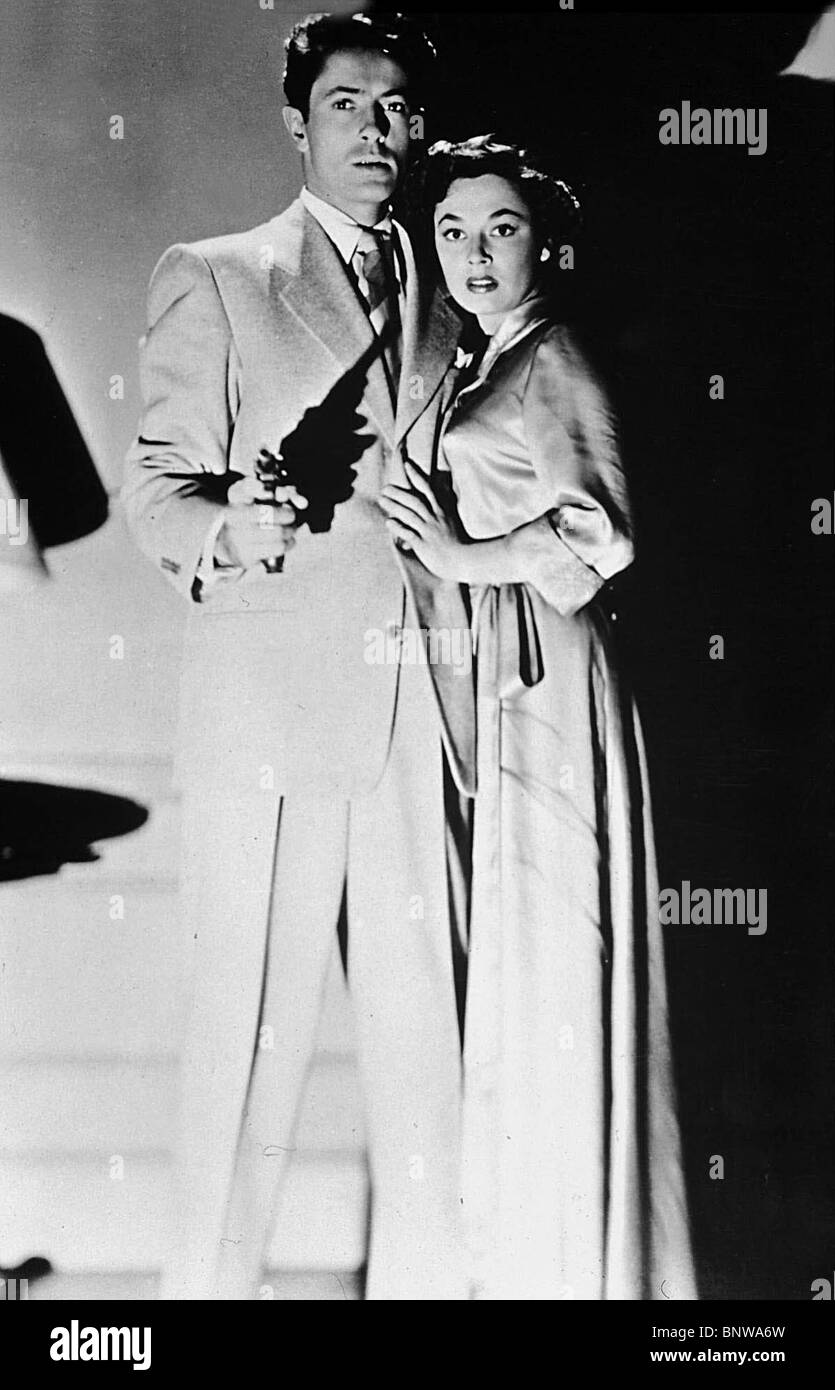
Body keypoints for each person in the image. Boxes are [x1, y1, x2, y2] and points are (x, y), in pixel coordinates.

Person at [122, 14, 476, 1300]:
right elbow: (155, 495)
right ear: (298, 123)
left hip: (425, 714)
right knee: (245, 1051)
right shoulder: (216, 274)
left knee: (430, 1057)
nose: (377, 134)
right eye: (347, 107)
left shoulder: (468, 285)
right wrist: (236, 522)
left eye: (397, 111)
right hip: (269, 715)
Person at [379, 136, 697, 1299]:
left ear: (545, 243)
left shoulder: (551, 354)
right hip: (503, 679)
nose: (473, 252)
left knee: (562, 956)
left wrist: (465, 553)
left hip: (550, 674)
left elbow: (601, 533)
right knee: (525, 965)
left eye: (499, 228)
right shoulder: (479, 362)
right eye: (452, 230)